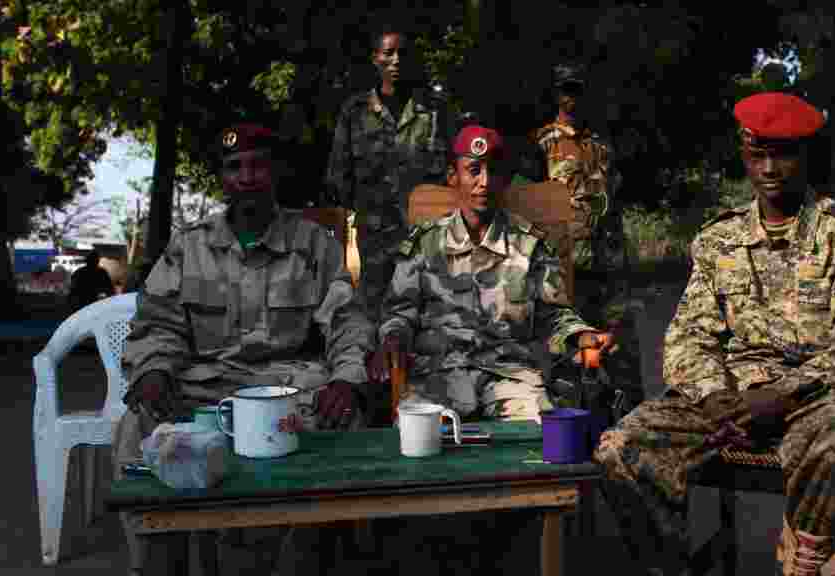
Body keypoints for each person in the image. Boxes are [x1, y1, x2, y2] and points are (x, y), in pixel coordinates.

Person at [594, 92, 835, 575]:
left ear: (804, 156)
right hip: (731, 396)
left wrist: (781, 393)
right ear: (744, 156)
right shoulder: (720, 238)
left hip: (821, 396)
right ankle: (668, 566)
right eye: (758, 154)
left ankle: (805, 556)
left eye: (782, 153)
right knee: (621, 447)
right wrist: (716, 396)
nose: (770, 167)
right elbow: (689, 336)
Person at [113, 122, 374, 574]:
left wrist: (346, 379)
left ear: (275, 173)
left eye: (258, 165)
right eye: (235, 167)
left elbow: (346, 320)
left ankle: (320, 561)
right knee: (135, 428)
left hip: (287, 388)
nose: (248, 176)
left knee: (349, 420)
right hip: (207, 386)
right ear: (222, 178)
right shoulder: (188, 247)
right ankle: (156, 563)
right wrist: (154, 371)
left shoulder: (313, 243)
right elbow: (157, 322)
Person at [370, 122, 615, 423]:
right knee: (417, 442)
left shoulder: (529, 245)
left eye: (493, 172)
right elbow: (399, 312)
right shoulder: (425, 244)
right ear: (454, 176)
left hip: (511, 376)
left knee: (538, 438)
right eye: (473, 170)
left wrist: (581, 335)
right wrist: (393, 338)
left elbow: (554, 316)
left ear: (505, 180)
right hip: (437, 376)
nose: (484, 182)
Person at [326, 21, 449, 323]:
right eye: (388, 53)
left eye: (402, 53)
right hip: (374, 244)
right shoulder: (354, 112)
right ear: (375, 58)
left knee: (428, 320)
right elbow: (339, 180)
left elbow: (450, 177)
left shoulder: (433, 112)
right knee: (373, 323)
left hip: (427, 241)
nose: (396, 61)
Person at [524, 62, 628, 322]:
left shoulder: (602, 145)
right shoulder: (542, 143)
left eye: (577, 90)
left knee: (615, 344)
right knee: (567, 343)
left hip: (605, 261)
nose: (572, 97)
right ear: (557, 95)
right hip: (563, 262)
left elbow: (614, 198)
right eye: (566, 90)